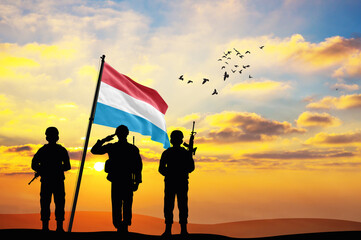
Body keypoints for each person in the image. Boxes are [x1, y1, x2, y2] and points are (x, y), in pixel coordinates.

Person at [91, 125, 142, 233]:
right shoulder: (131, 148)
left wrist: (105, 140)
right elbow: (138, 167)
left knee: (118, 204)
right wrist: (137, 182)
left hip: (120, 180)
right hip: (123, 180)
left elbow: (138, 166)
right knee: (124, 204)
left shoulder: (113, 147)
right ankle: (122, 225)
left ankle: (121, 225)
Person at [31, 127, 71, 232]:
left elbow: (34, 164)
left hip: (50, 181)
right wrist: (45, 169)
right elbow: (67, 166)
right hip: (54, 181)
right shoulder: (60, 150)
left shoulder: (43, 150)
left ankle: (50, 227)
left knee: (50, 203)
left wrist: (45, 169)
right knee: (52, 203)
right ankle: (55, 227)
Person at [159, 130, 195, 236]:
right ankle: (182, 230)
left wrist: (170, 173)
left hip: (172, 182)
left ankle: (169, 230)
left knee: (171, 206)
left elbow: (161, 169)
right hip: (180, 181)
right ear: (181, 140)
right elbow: (191, 168)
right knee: (181, 205)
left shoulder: (167, 153)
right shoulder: (184, 153)